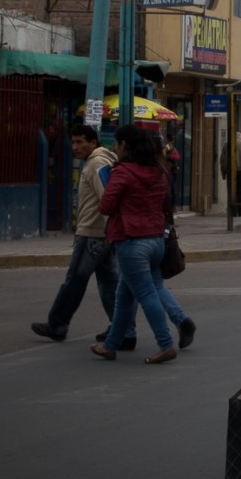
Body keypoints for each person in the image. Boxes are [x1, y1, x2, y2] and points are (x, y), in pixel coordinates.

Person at [91, 123, 191, 364]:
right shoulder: (159, 171)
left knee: (146, 294)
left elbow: (105, 206)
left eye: (116, 143)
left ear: (125, 145)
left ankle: (165, 344)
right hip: (156, 241)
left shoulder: (122, 172)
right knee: (124, 296)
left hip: (131, 241)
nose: (114, 148)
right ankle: (111, 345)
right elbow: (166, 205)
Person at [31, 123, 118, 343]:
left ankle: (57, 325)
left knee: (75, 281)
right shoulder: (99, 161)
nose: (75, 147)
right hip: (102, 234)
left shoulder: (97, 163)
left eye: (80, 142)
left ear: (93, 142)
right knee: (109, 283)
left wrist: (112, 230)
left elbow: (107, 198)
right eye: (73, 142)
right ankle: (123, 329)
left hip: (92, 234)